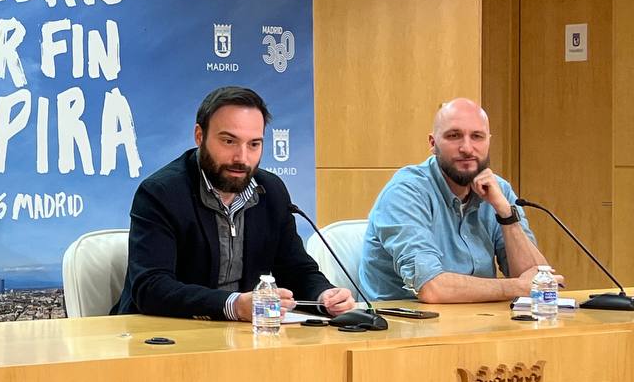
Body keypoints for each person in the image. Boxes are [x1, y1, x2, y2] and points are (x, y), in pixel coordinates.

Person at [113, 86, 355, 320]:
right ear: (199, 136)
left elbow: (296, 269)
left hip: (243, 335)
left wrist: (324, 295)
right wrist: (234, 306)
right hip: (161, 334)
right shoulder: (161, 193)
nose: (242, 158)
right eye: (229, 141)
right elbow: (151, 287)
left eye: (254, 144)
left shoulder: (271, 191)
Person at [359, 98, 559, 303]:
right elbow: (431, 288)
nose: (467, 148)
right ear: (433, 143)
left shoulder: (499, 190)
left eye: (477, 137)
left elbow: (537, 281)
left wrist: (506, 214)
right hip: (401, 320)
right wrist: (516, 287)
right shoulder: (405, 192)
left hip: (477, 317)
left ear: (488, 141)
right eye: (454, 136)